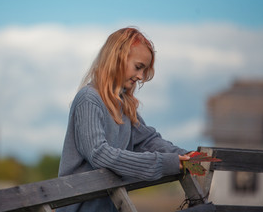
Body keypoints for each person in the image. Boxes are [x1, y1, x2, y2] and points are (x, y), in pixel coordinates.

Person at [57, 27, 191, 211]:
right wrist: (164, 163)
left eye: (144, 70)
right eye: (138, 67)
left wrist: (187, 156)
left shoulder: (123, 105)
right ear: (117, 58)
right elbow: (99, 154)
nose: (140, 76)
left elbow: (148, 141)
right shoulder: (89, 99)